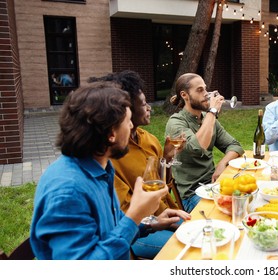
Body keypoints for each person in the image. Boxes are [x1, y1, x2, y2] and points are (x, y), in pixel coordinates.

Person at [30, 82, 189, 260]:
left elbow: (113, 227)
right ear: (110, 134)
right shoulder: (67, 192)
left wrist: (151, 223)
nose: (131, 126)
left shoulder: (100, 167)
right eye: (127, 121)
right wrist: (136, 214)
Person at [89, 70, 190, 259]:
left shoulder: (148, 139)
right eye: (143, 104)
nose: (149, 107)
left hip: (158, 218)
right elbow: (125, 217)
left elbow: (163, 184)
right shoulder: (108, 159)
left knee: (203, 235)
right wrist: (150, 223)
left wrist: (167, 159)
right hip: (139, 229)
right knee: (188, 252)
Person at [166, 73, 244, 212]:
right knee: (230, 210)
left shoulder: (207, 118)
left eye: (205, 89)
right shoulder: (176, 122)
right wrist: (212, 111)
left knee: (244, 200)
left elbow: (235, 146)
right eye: (199, 90)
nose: (206, 94)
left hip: (213, 185)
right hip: (192, 195)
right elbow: (198, 147)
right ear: (185, 95)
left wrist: (222, 164)